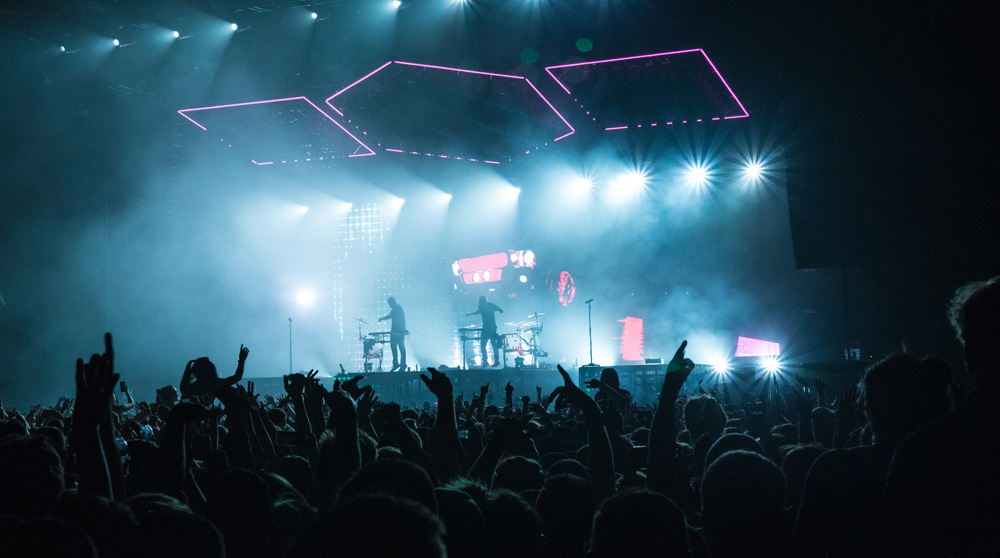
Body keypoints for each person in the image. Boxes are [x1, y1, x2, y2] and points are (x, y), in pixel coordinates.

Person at [466, 296, 503, 367]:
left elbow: (478, 312)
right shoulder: (491, 305)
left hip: (486, 330)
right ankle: (496, 360)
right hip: (493, 328)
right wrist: (498, 309)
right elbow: (500, 310)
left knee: (483, 346)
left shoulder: (481, 306)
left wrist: (470, 314)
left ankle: (485, 362)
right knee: (494, 345)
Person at [379, 297, 407, 372]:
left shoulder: (397, 308)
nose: (390, 305)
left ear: (393, 302)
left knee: (400, 348)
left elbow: (390, 316)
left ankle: (402, 364)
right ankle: (397, 363)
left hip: (399, 332)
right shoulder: (396, 308)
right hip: (395, 332)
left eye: (390, 303)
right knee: (394, 346)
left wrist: (381, 319)